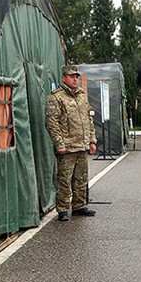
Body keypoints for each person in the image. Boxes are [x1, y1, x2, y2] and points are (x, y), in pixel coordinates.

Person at [45, 64, 98, 221]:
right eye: (72, 76)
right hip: (67, 147)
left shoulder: (81, 96)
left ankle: (79, 206)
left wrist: (92, 140)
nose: (75, 79)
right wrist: (59, 143)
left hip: (81, 145)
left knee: (81, 178)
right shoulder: (56, 97)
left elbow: (89, 120)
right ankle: (62, 209)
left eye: (77, 76)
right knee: (64, 180)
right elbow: (51, 122)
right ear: (64, 78)